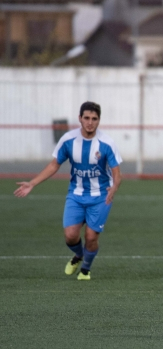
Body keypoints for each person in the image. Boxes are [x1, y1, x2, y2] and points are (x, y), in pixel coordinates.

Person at [14, 102, 123, 280]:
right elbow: (54, 164)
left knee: (90, 237)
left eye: (94, 119)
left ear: (99, 121)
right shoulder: (68, 140)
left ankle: (85, 270)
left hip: (101, 196)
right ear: (80, 118)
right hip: (76, 194)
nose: (90, 122)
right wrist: (32, 183)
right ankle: (79, 255)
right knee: (71, 236)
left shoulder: (107, 143)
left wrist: (115, 187)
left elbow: (117, 174)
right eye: (86, 118)